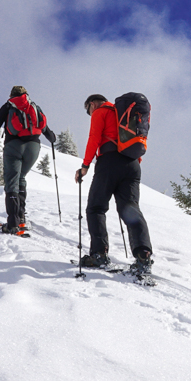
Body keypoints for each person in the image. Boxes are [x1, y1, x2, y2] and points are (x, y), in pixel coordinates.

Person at [74, 94, 152, 276]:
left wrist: (85, 166)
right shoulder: (122, 113)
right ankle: (143, 257)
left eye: (88, 110)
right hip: (132, 164)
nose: (90, 113)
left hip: (109, 161)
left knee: (95, 208)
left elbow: (94, 138)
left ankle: (99, 255)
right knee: (131, 209)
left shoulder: (101, 112)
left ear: (92, 104)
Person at [0, 86, 55, 236]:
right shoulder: (34, 106)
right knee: (21, 178)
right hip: (33, 147)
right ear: (26, 94)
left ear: (11, 95)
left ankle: (13, 225)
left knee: (12, 182)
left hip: (13, 146)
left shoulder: (8, 106)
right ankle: (21, 218)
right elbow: (47, 131)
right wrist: (52, 138)